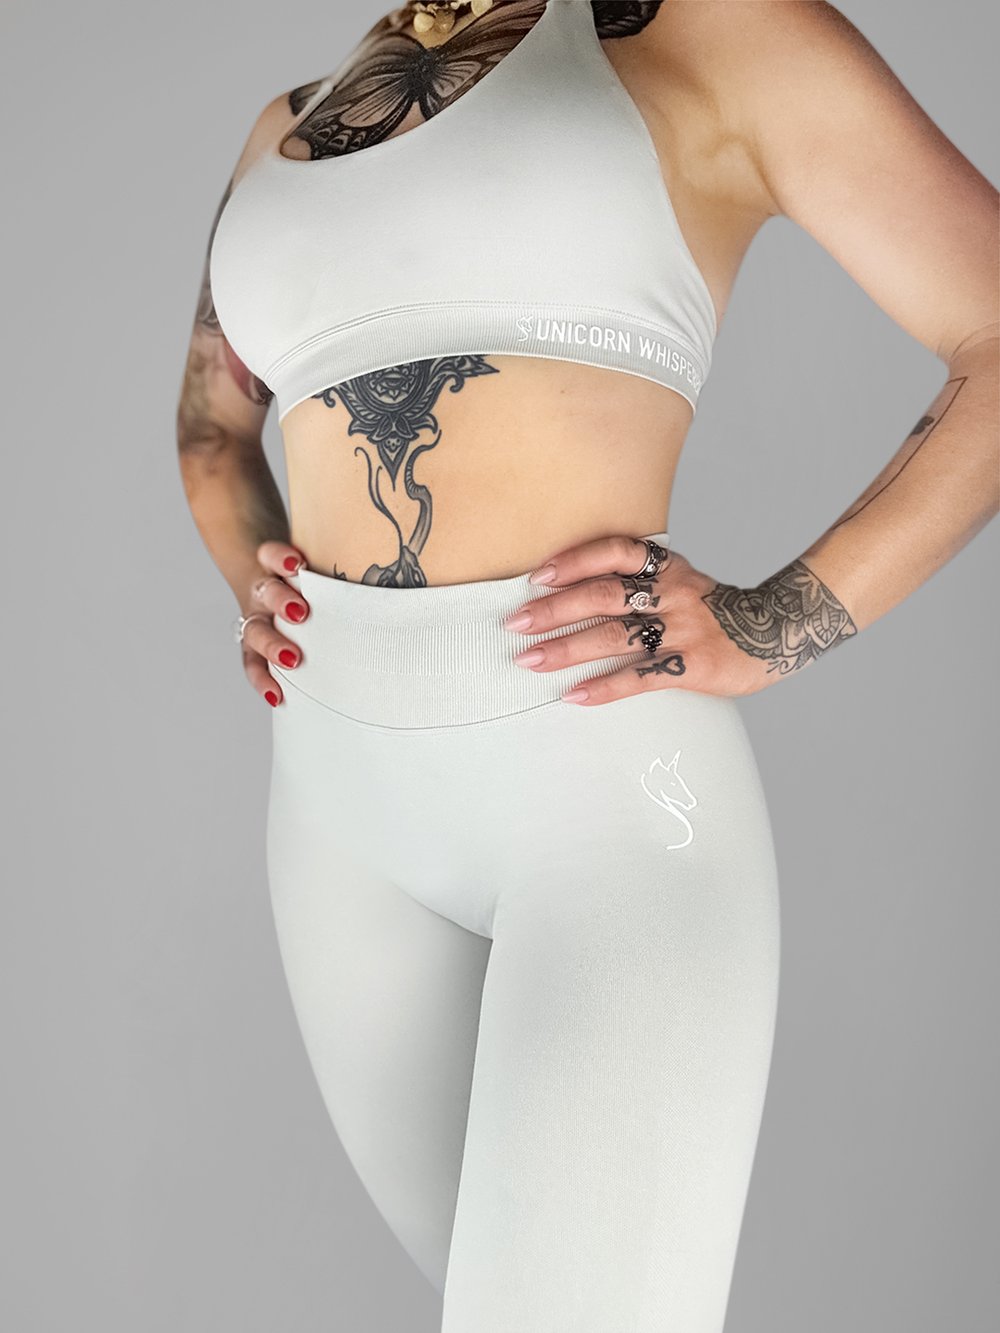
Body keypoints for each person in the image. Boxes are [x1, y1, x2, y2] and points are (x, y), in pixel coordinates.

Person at [176, 0, 998, 1325]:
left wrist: (774, 619)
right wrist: (253, 581)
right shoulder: (286, 126)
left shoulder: (711, 31)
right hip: (334, 818)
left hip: (603, 797)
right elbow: (214, 429)